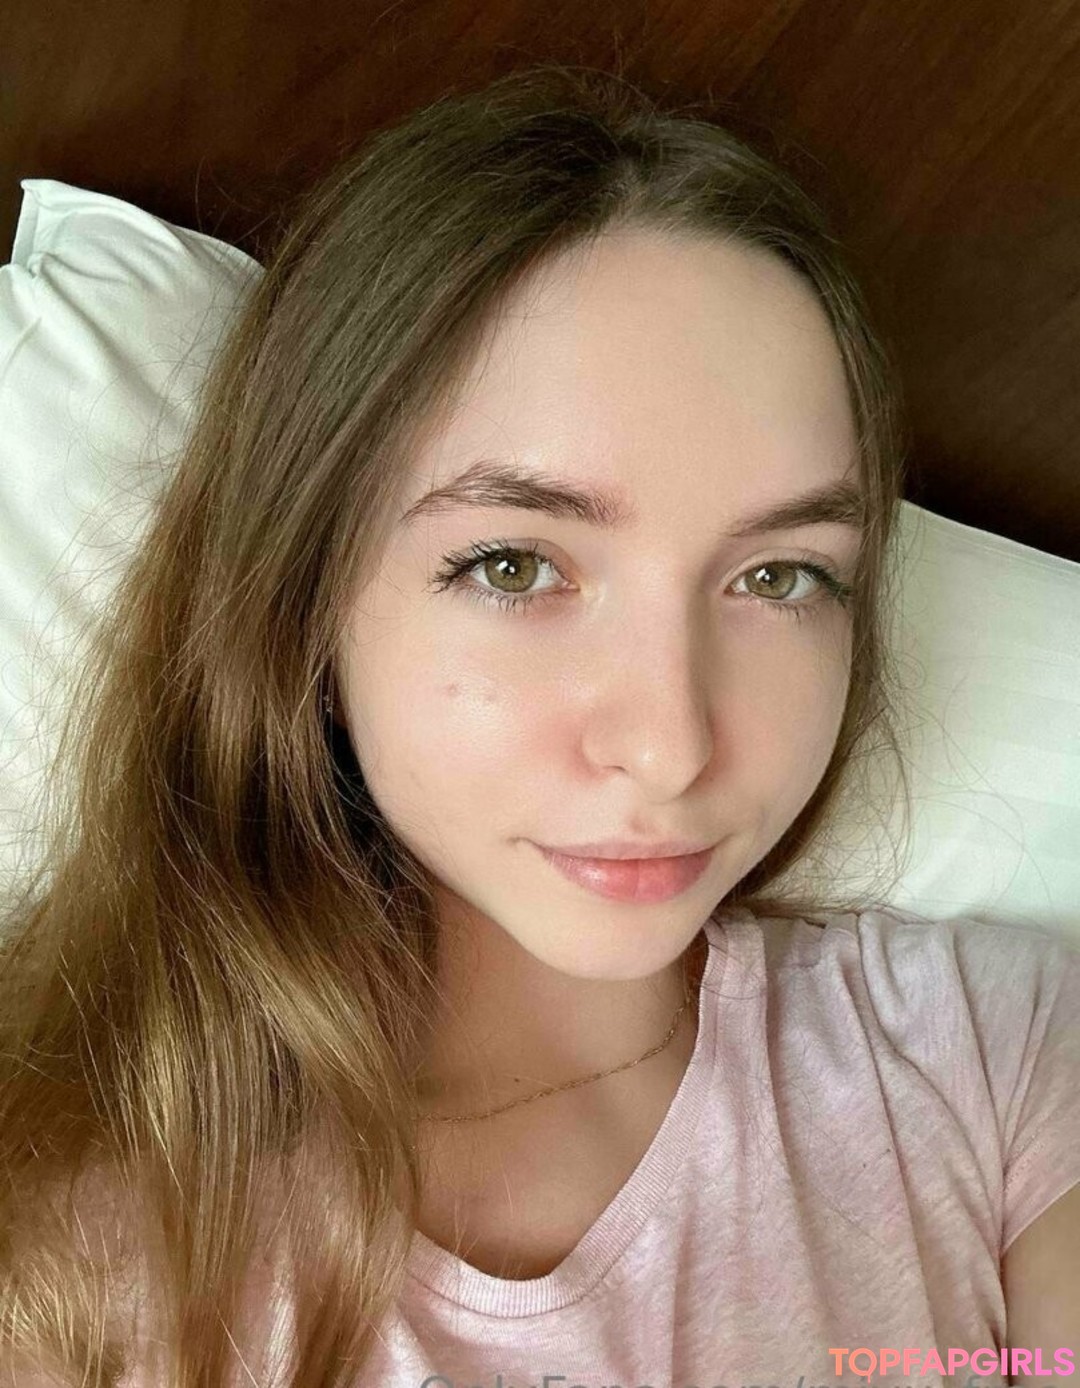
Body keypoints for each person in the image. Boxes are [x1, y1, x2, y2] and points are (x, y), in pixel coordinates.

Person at [0, 62, 1076, 1388]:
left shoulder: (990, 1059)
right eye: (515, 566)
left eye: (780, 575)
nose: (672, 747)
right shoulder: (58, 1236)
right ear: (303, 595)